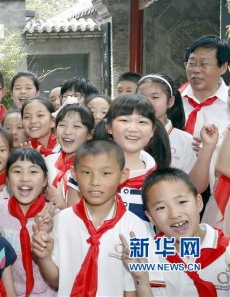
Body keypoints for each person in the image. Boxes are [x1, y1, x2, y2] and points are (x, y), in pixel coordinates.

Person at [31, 139, 164, 296]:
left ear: (123, 175)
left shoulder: (135, 227)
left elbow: (133, 290)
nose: (95, 182)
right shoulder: (63, 220)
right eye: (86, 172)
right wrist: (45, 257)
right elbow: (58, 280)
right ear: (74, 174)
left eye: (106, 173)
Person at [139, 168, 229, 296]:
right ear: (151, 218)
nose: (174, 214)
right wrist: (140, 280)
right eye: (161, 208)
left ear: (198, 202)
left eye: (182, 202)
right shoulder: (149, 256)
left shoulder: (226, 252)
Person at [91, 94, 171, 222]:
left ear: (152, 131)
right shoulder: (89, 170)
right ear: (109, 127)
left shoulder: (160, 181)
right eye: (124, 120)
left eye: (142, 122)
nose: (133, 129)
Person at [137, 74, 218, 193]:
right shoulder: (126, 134)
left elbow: (195, 187)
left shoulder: (186, 141)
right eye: (141, 97)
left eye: (155, 97)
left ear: (170, 102)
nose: (147, 103)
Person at [0, 148, 56, 297]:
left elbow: (62, 276)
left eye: (33, 172)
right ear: (7, 180)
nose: (24, 178)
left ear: (44, 181)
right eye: (17, 171)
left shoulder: (55, 216)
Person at [45, 104, 94, 209]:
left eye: (76, 126)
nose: (67, 132)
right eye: (62, 125)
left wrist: (60, 203)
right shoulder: (47, 162)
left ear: (90, 134)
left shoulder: (93, 169)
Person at [181, 35, 230, 136]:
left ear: (223, 67)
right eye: (192, 63)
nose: (196, 70)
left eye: (204, 64)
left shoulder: (228, 103)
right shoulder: (171, 100)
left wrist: (214, 149)